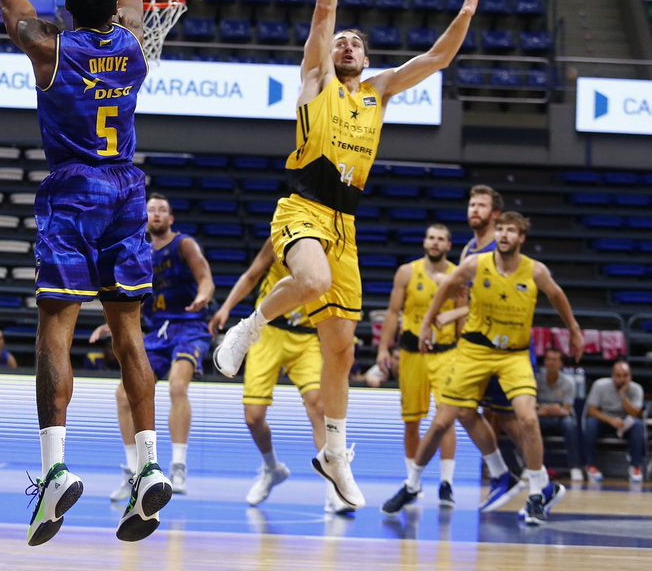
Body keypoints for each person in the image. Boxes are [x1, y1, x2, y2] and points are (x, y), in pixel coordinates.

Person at [213, 0, 487, 510]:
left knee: (341, 348)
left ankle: (334, 454)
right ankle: (251, 327)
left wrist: (466, 13)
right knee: (311, 280)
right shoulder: (315, 81)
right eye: (340, 41)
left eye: (356, 43)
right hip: (302, 206)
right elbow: (324, 10)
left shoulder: (379, 93)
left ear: (367, 59)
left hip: (346, 225)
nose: (346, 45)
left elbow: (438, 58)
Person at [0, 0, 170, 545]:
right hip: (127, 190)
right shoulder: (133, 45)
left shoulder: (50, 49)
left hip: (73, 190)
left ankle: (55, 468)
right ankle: (148, 465)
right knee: (129, 336)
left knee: (56, 333)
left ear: (67, 9)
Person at [381, 212, 584, 526]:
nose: (503, 235)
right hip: (474, 351)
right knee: (443, 420)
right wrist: (427, 323)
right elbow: (447, 287)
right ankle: (412, 484)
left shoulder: (535, 270)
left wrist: (573, 329)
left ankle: (535, 494)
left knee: (527, 418)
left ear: (521, 238)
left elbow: (557, 295)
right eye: (500, 229)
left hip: (513, 355)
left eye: (510, 231)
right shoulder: (476, 263)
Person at [209, 241, 355, 516]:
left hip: (307, 335)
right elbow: (251, 275)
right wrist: (227, 307)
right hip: (269, 332)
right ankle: (271, 468)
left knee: (318, 405)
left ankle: (334, 489)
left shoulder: (335, 239)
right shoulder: (281, 236)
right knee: (253, 416)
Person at [92, 192, 214, 500]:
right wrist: (112, 325)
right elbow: (139, 301)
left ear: (171, 218)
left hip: (189, 328)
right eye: (152, 210)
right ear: (145, 218)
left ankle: (178, 466)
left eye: (162, 210)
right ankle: (134, 472)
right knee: (123, 394)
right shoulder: (140, 252)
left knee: (177, 386)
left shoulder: (184, 244)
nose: (157, 214)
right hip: (157, 332)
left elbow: (205, 276)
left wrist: (204, 295)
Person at [376, 223, 459, 508]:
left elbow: (462, 317)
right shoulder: (407, 272)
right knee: (411, 421)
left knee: (446, 418)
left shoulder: (457, 274)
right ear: (424, 242)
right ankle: (413, 481)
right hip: (412, 353)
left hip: (446, 352)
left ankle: (446, 484)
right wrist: (383, 348)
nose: (435, 242)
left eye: (441, 239)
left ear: (448, 245)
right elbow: (392, 312)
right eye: (431, 237)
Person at [458, 184, 528, 477]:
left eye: (481, 205)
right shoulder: (468, 249)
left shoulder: (499, 251)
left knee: (508, 418)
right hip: (473, 344)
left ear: (495, 214)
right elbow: (464, 299)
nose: (474, 210)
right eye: (472, 204)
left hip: (500, 345)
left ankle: (536, 473)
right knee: (464, 410)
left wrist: (451, 315)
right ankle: (501, 471)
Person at [584, 359, 645, 483]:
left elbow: (635, 414)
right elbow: (591, 411)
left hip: (625, 423)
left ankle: (635, 467)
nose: (622, 379)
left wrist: (623, 396)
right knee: (591, 423)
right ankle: (590, 466)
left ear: (630, 376)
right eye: (618, 376)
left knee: (638, 425)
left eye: (625, 376)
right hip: (605, 420)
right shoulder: (599, 385)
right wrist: (611, 420)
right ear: (612, 376)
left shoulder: (637, 389)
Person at [536, 347, 583, 482]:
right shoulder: (536, 380)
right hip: (540, 417)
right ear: (544, 362)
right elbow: (532, 404)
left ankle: (575, 467)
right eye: (549, 359)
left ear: (561, 364)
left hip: (559, 418)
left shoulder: (568, 382)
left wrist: (553, 410)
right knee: (529, 423)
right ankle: (530, 467)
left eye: (555, 360)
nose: (551, 363)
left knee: (569, 424)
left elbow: (567, 409)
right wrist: (548, 409)